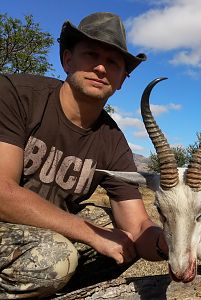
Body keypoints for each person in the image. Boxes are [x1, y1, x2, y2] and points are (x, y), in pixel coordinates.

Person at [0, 12, 168, 299]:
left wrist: (174, 241)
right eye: (91, 55)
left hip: (37, 230)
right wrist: (90, 234)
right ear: (67, 60)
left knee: (118, 232)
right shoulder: (16, 93)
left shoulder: (112, 140)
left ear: (121, 80)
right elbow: (2, 192)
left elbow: (138, 226)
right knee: (55, 256)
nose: (101, 68)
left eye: (113, 62)